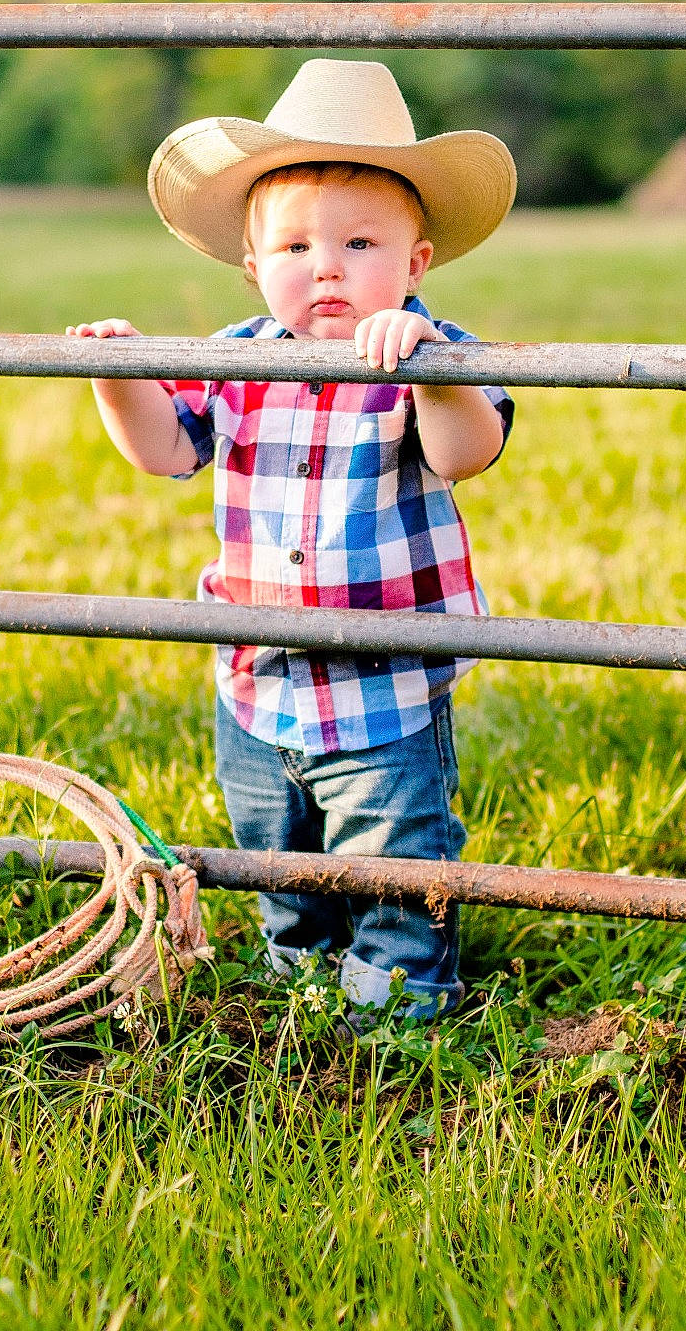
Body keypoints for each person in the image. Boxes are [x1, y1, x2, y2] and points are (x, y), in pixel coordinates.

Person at [67, 58, 517, 1020]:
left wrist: (430, 369)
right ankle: (301, 980)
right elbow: (161, 450)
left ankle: (397, 1003)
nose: (327, 267)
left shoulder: (437, 355)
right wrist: (119, 374)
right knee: (278, 854)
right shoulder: (231, 361)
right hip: (257, 678)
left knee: (394, 859)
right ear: (252, 267)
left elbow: (467, 449)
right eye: (296, 248)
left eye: (360, 243)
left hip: (385, 688)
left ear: (416, 264)